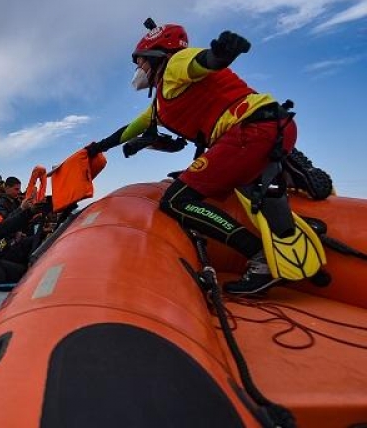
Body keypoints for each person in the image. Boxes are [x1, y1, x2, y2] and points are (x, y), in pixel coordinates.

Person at [85, 19, 330, 294]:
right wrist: (97, 148)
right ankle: (287, 172)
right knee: (221, 180)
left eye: (140, 62)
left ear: (156, 57)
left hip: (247, 134)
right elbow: (132, 128)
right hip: (274, 126)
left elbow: (200, 61)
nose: (138, 69)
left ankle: (259, 256)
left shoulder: (175, 65)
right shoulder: (164, 102)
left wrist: (221, 55)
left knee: (176, 200)